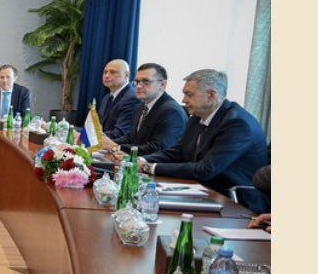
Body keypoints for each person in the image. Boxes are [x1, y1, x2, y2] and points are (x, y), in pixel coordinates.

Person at [138, 69, 270, 213]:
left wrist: (150, 167)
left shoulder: (237, 124)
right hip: (204, 191)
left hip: (237, 202)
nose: (183, 100)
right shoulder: (197, 117)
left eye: (189, 94)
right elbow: (178, 152)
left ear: (211, 95)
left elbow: (206, 169)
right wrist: (142, 160)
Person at [99, 62, 186, 156]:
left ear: (162, 84)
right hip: (136, 160)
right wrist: (105, 143)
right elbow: (132, 138)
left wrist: (116, 147)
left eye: (146, 81)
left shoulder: (171, 111)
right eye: (137, 81)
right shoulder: (141, 107)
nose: (139, 86)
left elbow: (158, 148)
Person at [92, 59, 140, 141]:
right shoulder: (107, 97)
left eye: (113, 72)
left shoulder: (132, 98)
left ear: (127, 75)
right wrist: (73, 129)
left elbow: (120, 133)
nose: (107, 75)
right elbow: (97, 127)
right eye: (105, 72)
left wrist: (86, 136)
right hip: (101, 143)